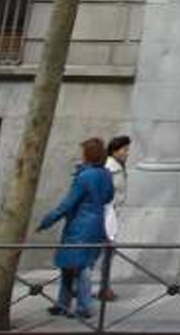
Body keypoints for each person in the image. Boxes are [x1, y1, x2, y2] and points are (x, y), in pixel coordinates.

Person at [38, 137, 116, 321]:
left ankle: (82, 307)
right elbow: (108, 197)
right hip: (96, 224)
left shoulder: (85, 176)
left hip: (80, 227)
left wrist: (47, 221)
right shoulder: (106, 174)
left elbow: (67, 204)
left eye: (83, 152)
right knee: (71, 265)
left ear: (88, 155)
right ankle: (62, 304)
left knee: (80, 267)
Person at [98, 135, 131, 302]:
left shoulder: (119, 166)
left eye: (127, 149)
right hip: (106, 215)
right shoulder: (108, 168)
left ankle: (104, 286)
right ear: (114, 150)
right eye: (124, 149)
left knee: (106, 253)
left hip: (113, 215)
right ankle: (102, 288)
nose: (127, 153)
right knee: (103, 252)